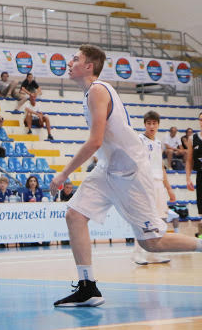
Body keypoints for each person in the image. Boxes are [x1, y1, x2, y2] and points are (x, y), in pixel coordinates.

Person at [49, 44, 202, 307]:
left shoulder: (97, 90)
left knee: (152, 243)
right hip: (109, 168)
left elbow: (95, 141)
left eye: (75, 59)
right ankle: (88, 287)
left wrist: (63, 173)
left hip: (130, 172)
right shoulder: (89, 93)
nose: (69, 62)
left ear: (88, 66)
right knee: (74, 214)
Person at [134, 110, 177, 265]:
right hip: (144, 183)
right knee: (144, 218)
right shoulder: (139, 139)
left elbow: (161, 167)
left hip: (158, 184)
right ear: (145, 124)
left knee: (160, 219)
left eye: (154, 123)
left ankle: (156, 253)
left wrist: (169, 188)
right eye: (149, 123)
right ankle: (138, 253)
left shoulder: (158, 143)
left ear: (158, 125)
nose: (151, 126)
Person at [185, 112, 202, 238]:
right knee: (201, 206)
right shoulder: (192, 139)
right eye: (201, 119)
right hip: (200, 174)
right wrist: (188, 178)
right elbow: (189, 159)